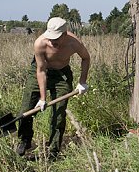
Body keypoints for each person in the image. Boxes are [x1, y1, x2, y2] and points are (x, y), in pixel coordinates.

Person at [16, 17, 90, 160]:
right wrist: (42, 98)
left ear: (64, 34)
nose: (52, 41)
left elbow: (86, 58)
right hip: (39, 71)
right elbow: (41, 70)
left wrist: (82, 82)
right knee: (26, 109)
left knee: (59, 113)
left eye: (55, 39)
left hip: (62, 75)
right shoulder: (40, 43)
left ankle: (53, 150)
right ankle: (25, 140)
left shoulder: (74, 43)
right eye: (50, 38)